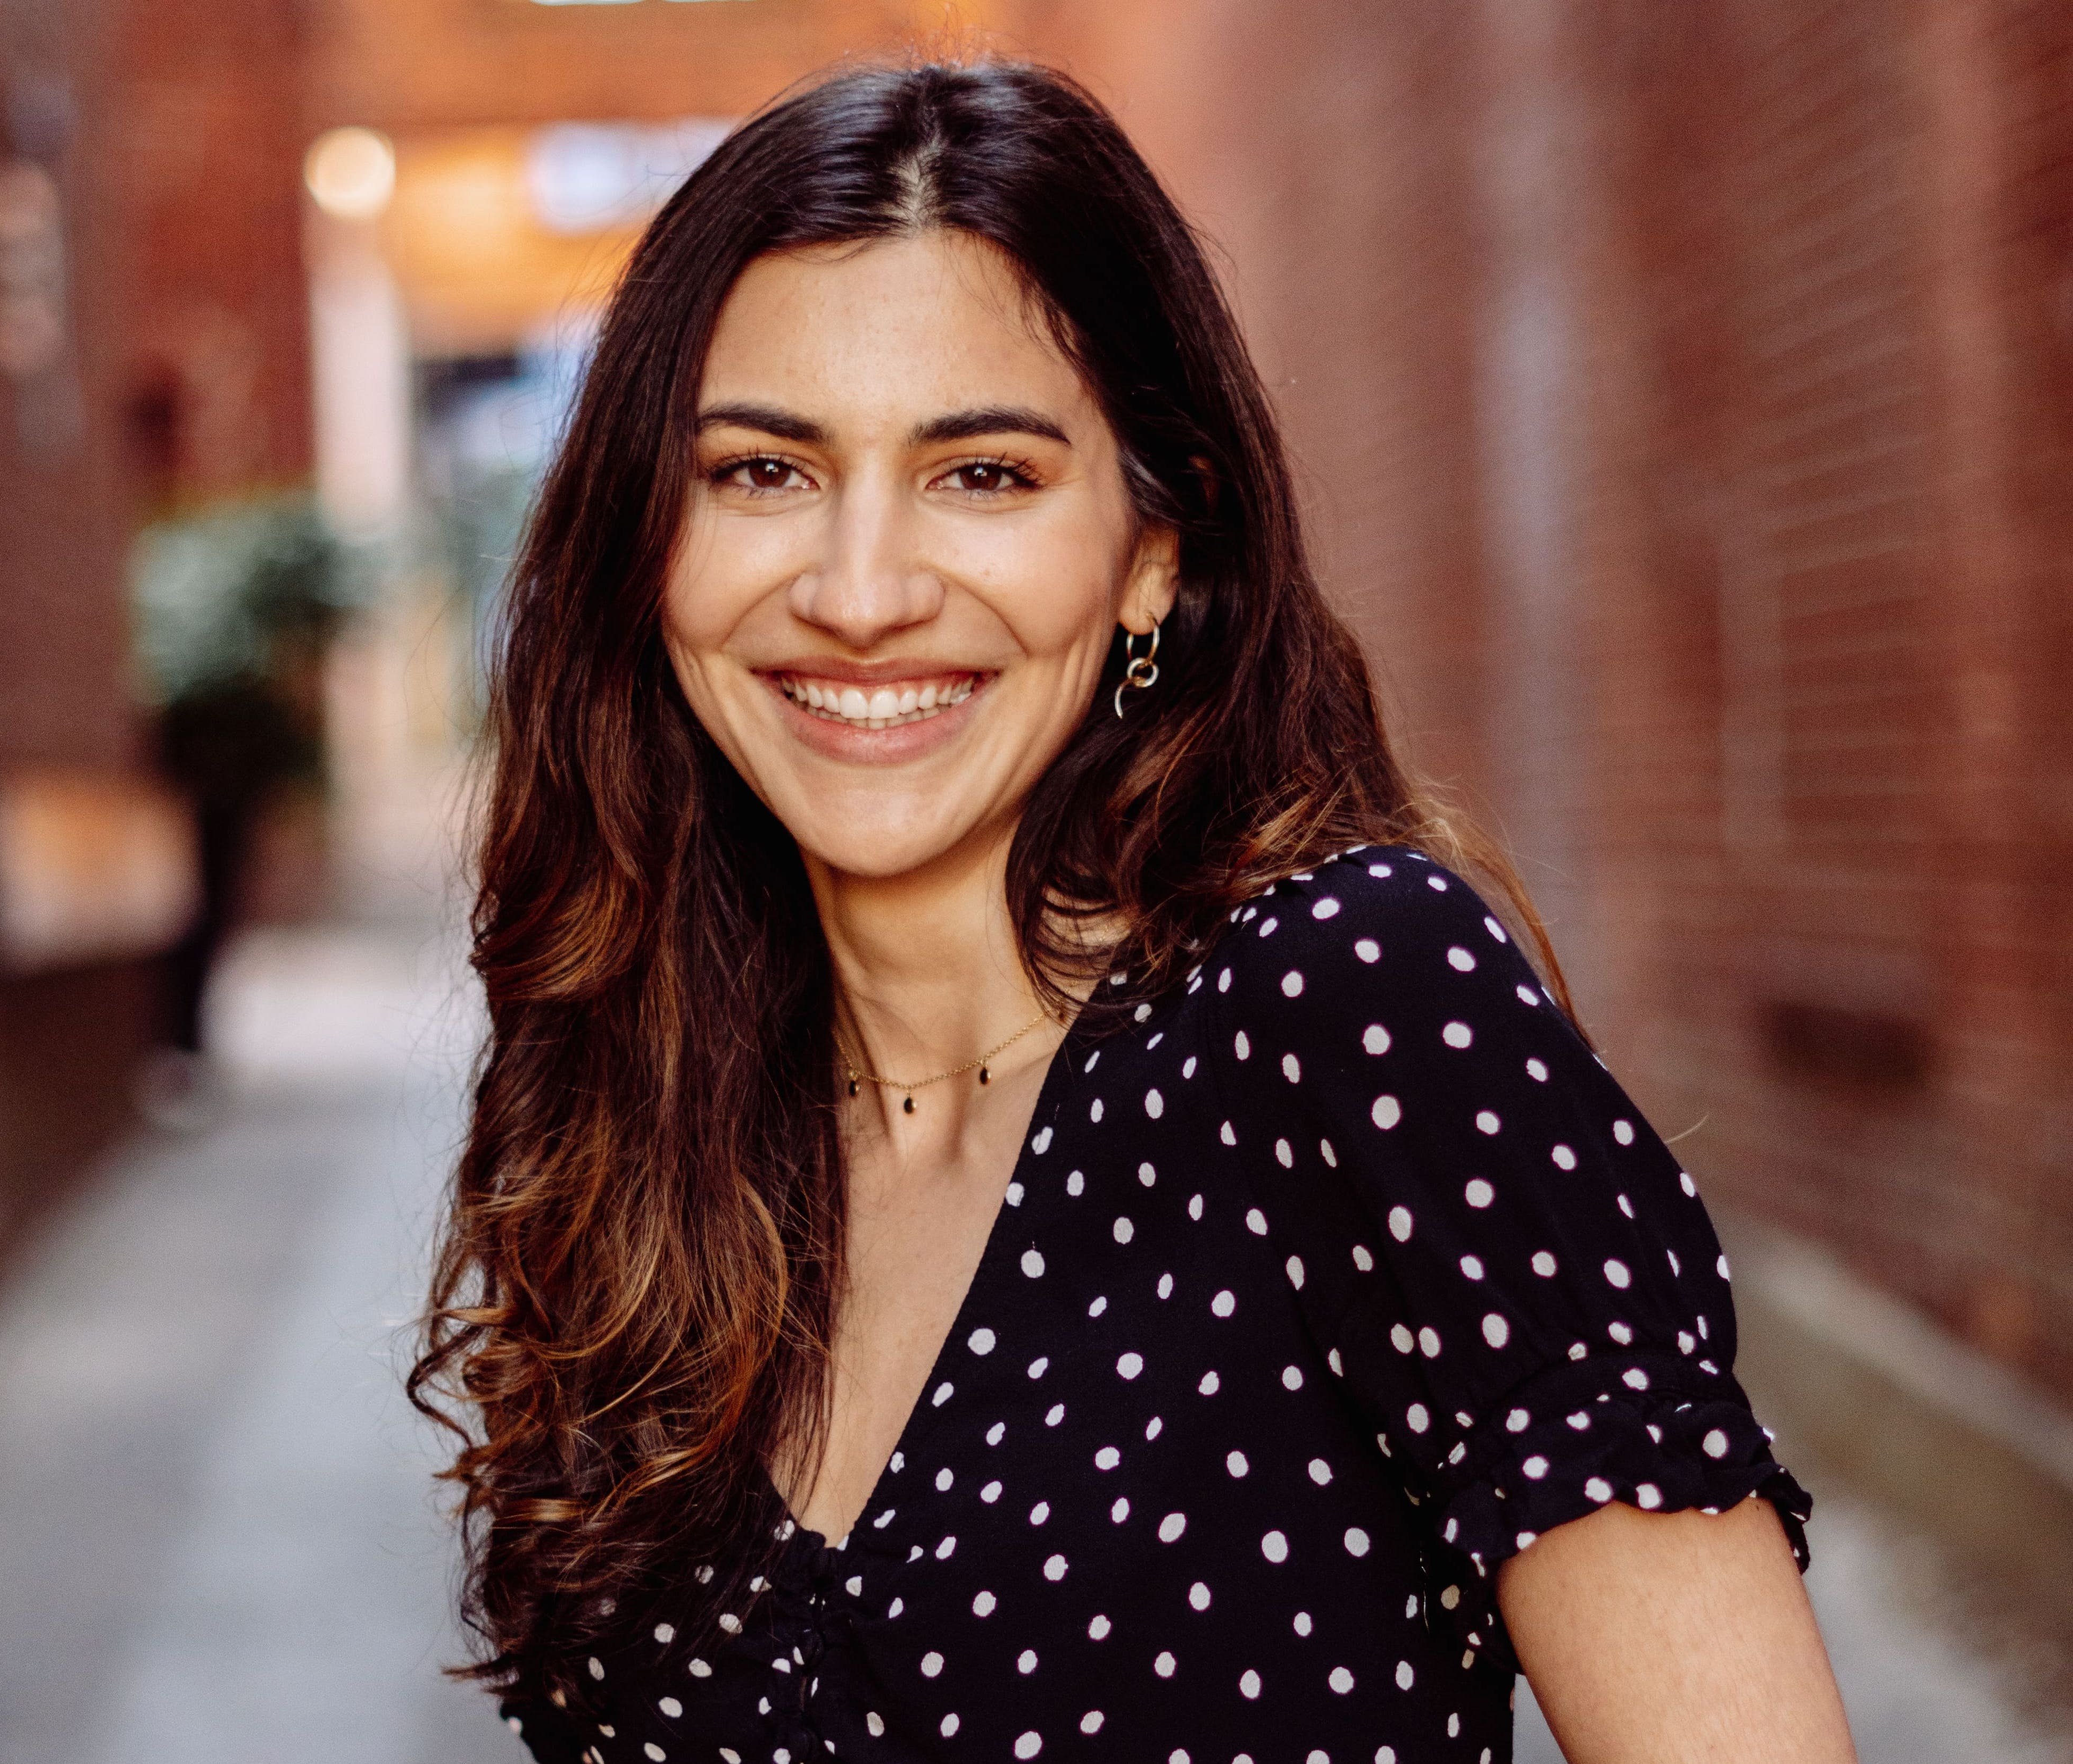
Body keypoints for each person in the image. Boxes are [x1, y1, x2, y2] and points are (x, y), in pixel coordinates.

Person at [412, 59, 1858, 1764]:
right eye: (762, 473)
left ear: (1155, 549)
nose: (859, 593)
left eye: (985, 477)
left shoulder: (1351, 1013)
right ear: (649, 542)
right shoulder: (644, 1114)